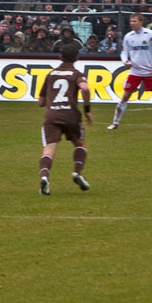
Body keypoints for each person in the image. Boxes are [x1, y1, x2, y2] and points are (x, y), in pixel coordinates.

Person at [37, 39, 92, 196]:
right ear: (77, 58)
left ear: (60, 57)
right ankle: (77, 173)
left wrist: (51, 101)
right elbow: (85, 89)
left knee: (49, 150)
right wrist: (87, 109)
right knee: (79, 144)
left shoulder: (51, 74)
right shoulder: (76, 74)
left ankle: (45, 178)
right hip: (71, 116)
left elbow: (40, 102)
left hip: (52, 116)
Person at [108, 12, 152, 131]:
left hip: (150, 71)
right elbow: (124, 52)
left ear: (141, 22)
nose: (132, 23)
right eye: (131, 21)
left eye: (134, 21)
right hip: (135, 71)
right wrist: (125, 61)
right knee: (125, 96)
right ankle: (115, 122)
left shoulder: (150, 34)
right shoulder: (128, 36)